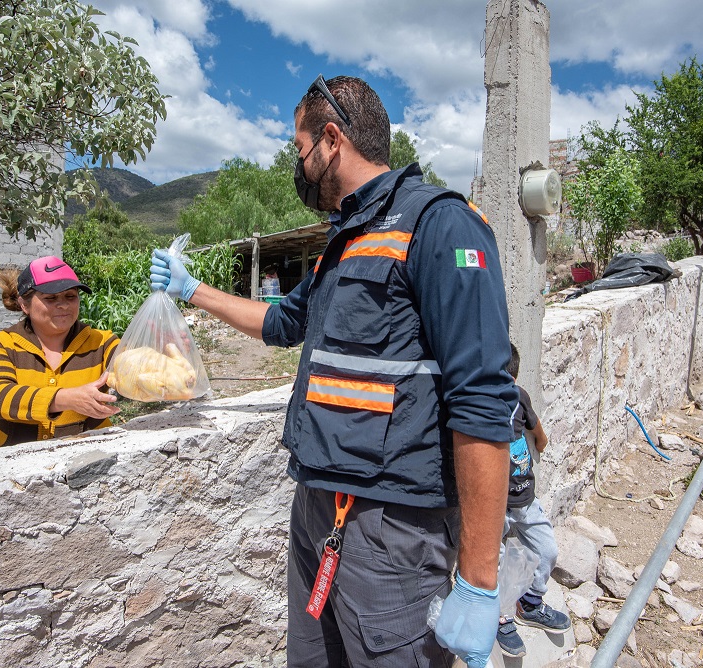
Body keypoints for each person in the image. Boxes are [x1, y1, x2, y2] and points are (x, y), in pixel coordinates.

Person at [150, 75, 518, 667]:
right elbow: (283, 323)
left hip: (391, 528)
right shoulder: (345, 238)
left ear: (331, 139)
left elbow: (481, 400)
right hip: (318, 506)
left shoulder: (440, 224)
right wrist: (193, 290)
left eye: (300, 153)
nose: (300, 169)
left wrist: (478, 579)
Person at [0, 256, 120, 447]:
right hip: (14, 468)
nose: (63, 305)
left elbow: (135, 365)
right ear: (24, 304)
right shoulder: (0, 344)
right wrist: (65, 399)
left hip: (88, 462)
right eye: (50, 298)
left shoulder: (102, 342)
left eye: (71, 296)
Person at [495, 345, 571, 657]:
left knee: (547, 549)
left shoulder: (519, 397)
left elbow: (538, 431)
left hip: (524, 497)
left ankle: (530, 603)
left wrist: (539, 442)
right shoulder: (478, 403)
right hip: (495, 504)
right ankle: (500, 617)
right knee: (495, 560)